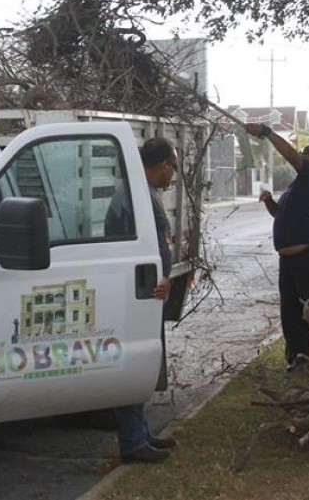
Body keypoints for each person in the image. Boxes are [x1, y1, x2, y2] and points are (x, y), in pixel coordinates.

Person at [109, 137, 179, 464]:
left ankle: (141, 433)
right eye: (173, 167)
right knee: (136, 364)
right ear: (162, 164)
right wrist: (158, 278)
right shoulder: (138, 196)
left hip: (146, 290)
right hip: (138, 292)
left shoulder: (141, 192)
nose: (173, 174)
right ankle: (133, 442)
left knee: (144, 363)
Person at [243, 122, 309, 371]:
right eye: (303, 151)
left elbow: (292, 155)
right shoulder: (298, 186)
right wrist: (270, 202)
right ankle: (299, 358)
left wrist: (266, 132)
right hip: (290, 260)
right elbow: (281, 215)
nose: (303, 155)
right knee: (292, 312)